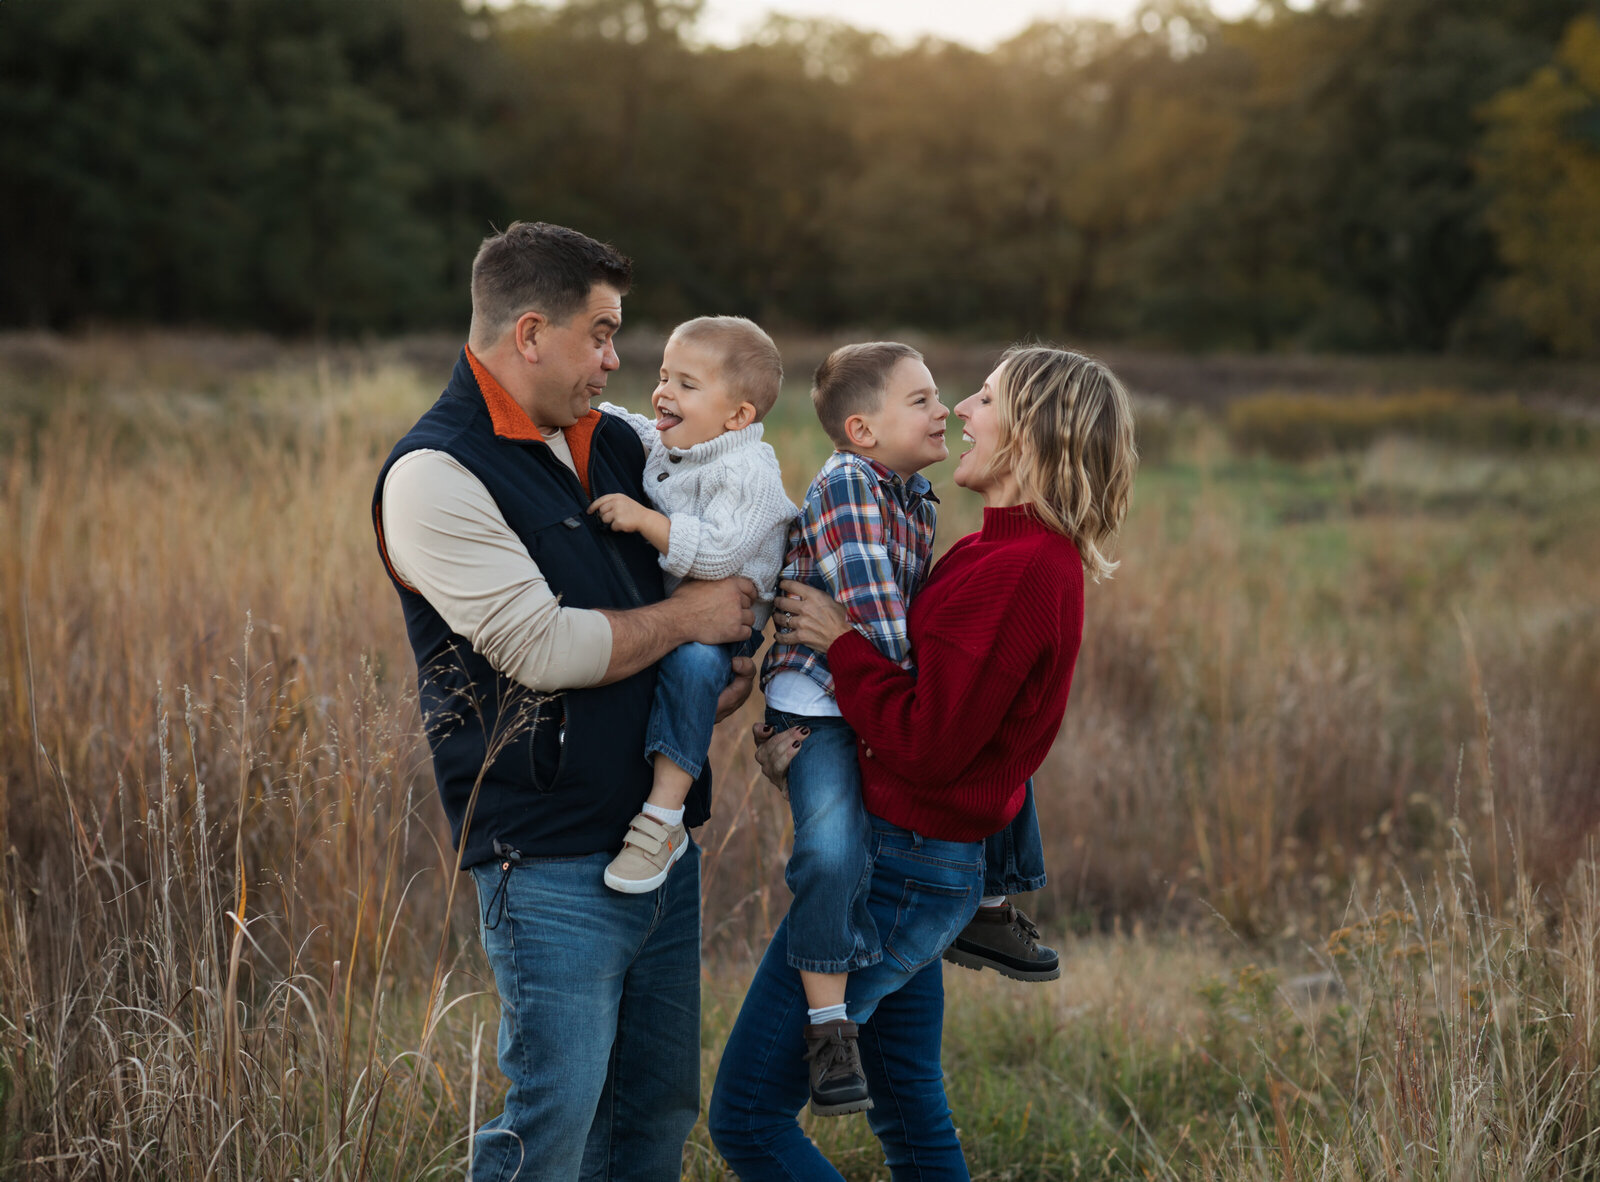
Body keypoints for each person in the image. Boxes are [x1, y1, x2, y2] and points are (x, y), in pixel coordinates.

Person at [372, 221, 756, 1182]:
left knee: (651, 1119)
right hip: (545, 858)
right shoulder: (435, 474)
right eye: (602, 333)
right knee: (548, 1131)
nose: (617, 361)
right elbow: (544, 648)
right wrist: (692, 619)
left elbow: (725, 522)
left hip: (661, 844)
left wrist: (717, 666)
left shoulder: (622, 441)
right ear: (531, 332)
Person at [709, 345, 1138, 1180]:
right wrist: (810, 736)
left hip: (899, 870)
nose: (961, 413)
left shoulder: (1014, 571)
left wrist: (838, 646)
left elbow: (929, 744)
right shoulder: (998, 551)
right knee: (908, 1101)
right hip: (916, 856)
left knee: (749, 1119)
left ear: (1030, 436)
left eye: (983, 398)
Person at [588, 315, 797, 893]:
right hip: (683, 610)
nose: (663, 393)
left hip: (727, 620)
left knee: (693, 667)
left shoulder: (746, 469)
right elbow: (633, 425)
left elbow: (718, 557)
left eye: (685, 384)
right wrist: (585, 408)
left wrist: (645, 519)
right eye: (663, 376)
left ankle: (663, 817)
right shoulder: (679, 439)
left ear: (738, 417)